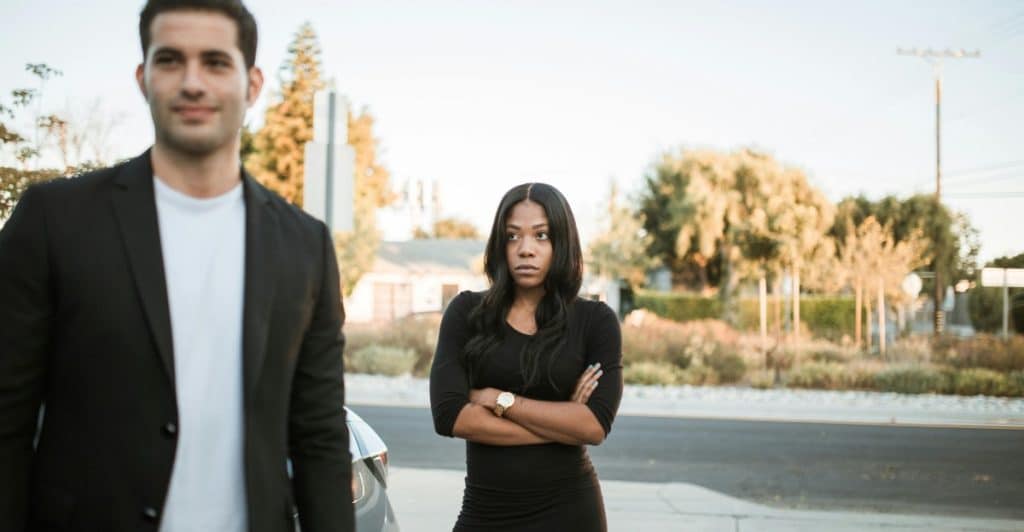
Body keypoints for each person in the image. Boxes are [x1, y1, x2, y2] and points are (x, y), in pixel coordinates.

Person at [0, 1, 354, 531]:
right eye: (170, 61)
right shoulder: (54, 220)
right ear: (143, 79)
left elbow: (319, 435)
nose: (193, 82)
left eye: (215, 62)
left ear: (252, 84)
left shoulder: (304, 244)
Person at [430, 182, 623, 532]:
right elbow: (450, 417)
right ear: (499, 245)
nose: (526, 250)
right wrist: (563, 424)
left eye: (542, 236)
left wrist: (498, 400)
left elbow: (594, 426)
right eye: (513, 236)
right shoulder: (466, 313)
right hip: (484, 513)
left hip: (569, 511)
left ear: (562, 242)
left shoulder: (595, 321)